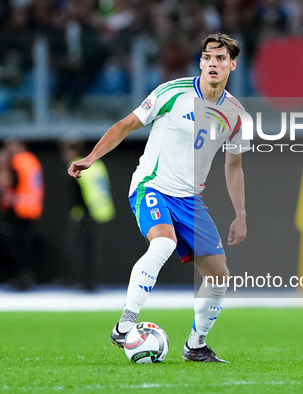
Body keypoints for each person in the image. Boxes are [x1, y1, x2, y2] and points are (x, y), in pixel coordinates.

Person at [68, 32, 248, 362]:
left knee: (219, 275)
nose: (212, 63)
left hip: (190, 200)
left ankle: (195, 345)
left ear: (232, 65)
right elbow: (125, 125)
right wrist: (92, 157)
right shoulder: (172, 92)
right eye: (207, 57)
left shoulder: (236, 115)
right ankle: (126, 324)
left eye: (221, 58)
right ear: (200, 61)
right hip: (152, 186)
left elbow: (233, 166)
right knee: (163, 243)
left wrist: (240, 213)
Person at [59, 137, 115, 291]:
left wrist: (76, 214)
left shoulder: (77, 165)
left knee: (80, 248)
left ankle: (84, 282)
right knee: (93, 250)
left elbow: (77, 194)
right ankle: (91, 283)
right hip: (101, 210)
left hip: (87, 212)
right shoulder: (96, 164)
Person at [0, 138, 44, 290]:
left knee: (16, 246)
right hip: (32, 207)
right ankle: (26, 277)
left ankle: (21, 278)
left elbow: (3, 183)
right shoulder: (31, 160)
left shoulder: (18, 161)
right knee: (24, 245)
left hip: (19, 208)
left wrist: (0, 164)